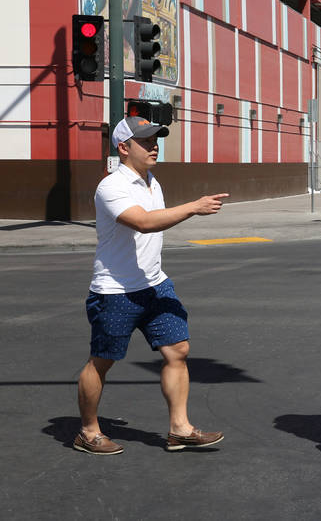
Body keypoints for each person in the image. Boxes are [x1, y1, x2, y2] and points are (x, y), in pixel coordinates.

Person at [74, 116, 229, 455]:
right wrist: (195, 207)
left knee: (178, 350)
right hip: (116, 290)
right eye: (145, 141)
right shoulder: (111, 186)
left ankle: (180, 430)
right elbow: (143, 223)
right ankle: (88, 431)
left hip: (155, 285)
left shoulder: (152, 181)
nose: (154, 145)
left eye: (156, 138)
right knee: (101, 361)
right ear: (124, 147)